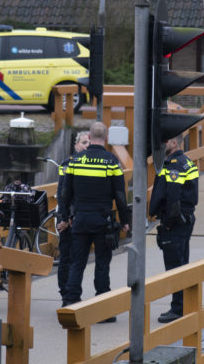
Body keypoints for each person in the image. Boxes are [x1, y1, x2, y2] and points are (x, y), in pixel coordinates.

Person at [60, 122, 130, 321]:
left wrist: (65, 217)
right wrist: (125, 220)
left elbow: (66, 193)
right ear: (106, 138)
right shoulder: (111, 162)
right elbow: (120, 196)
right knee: (102, 263)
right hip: (103, 221)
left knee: (77, 263)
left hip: (80, 219)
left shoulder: (75, 161)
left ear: (89, 137)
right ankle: (101, 310)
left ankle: (70, 303)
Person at [148, 135, 199, 323]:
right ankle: (183, 305)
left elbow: (174, 199)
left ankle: (178, 309)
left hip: (176, 223)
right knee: (182, 262)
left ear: (175, 143)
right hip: (184, 220)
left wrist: (167, 225)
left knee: (174, 266)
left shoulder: (175, 165)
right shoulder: (186, 162)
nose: (163, 143)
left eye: (166, 140)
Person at [55, 131, 90, 304]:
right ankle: (65, 294)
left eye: (89, 143)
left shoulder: (91, 163)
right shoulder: (67, 163)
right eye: (83, 143)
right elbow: (62, 193)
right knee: (66, 257)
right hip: (68, 216)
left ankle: (73, 293)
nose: (86, 146)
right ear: (76, 145)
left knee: (77, 259)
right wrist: (64, 217)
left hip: (80, 217)